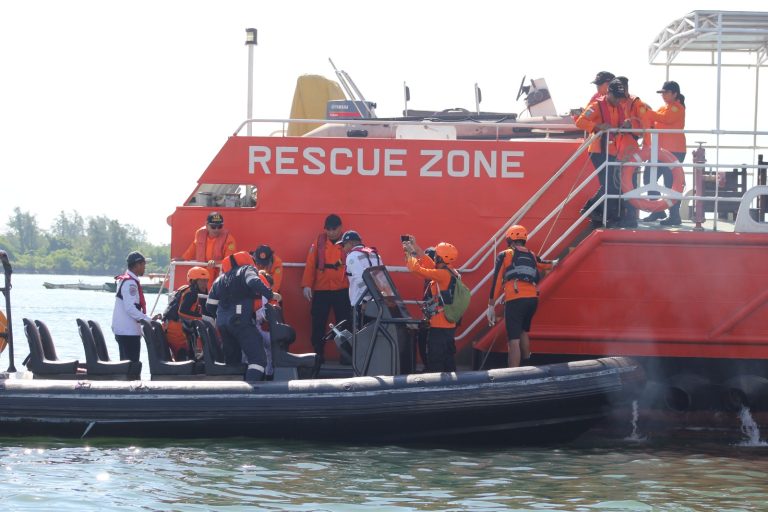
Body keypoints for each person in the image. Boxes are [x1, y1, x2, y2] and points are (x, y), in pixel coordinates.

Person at [206, 251, 281, 381]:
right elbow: (253, 281)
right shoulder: (247, 269)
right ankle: (251, 389)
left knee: (233, 362)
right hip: (241, 322)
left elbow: (209, 305)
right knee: (258, 360)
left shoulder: (220, 279)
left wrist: (223, 317)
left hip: (222, 325)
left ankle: (231, 390)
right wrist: (270, 294)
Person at [487, 225, 555, 368]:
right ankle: (527, 364)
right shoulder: (532, 255)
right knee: (523, 331)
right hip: (532, 300)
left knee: (513, 339)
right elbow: (546, 264)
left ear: (509, 239)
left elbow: (497, 280)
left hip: (515, 299)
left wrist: (491, 305)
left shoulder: (505, 255)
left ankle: (513, 373)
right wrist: (555, 263)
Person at [576, 78, 633, 225]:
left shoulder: (619, 107)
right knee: (609, 184)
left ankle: (601, 214)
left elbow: (619, 124)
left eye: (620, 98)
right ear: (609, 93)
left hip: (612, 150)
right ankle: (590, 209)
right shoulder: (595, 106)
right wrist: (598, 126)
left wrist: (626, 124)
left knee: (612, 184)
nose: (618, 100)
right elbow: (580, 122)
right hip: (598, 150)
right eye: (616, 97)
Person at [300, 214, 351, 367]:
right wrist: (307, 285)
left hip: (342, 290)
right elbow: (310, 263)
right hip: (321, 289)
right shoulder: (319, 242)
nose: (331, 232)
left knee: (345, 323)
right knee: (318, 322)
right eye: (328, 229)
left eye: (334, 229)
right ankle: (318, 354)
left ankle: (346, 355)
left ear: (340, 228)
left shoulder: (348, 242)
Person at [403, 236, 460, 373]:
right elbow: (428, 262)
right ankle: (453, 384)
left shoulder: (442, 274)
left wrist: (409, 254)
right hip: (448, 325)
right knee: (448, 359)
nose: (434, 257)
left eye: (436, 255)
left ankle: (437, 384)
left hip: (439, 326)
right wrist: (415, 246)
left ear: (440, 258)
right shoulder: (450, 272)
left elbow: (416, 269)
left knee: (436, 360)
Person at [642, 80, 687, 226]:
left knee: (671, 183)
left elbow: (665, 119)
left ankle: (674, 216)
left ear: (675, 94)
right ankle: (657, 210)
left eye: (666, 93)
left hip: (674, 151)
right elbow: (655, 120)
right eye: (662, 93)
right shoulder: (663, 108)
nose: (663, 95)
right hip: (660, 151)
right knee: (648, 177)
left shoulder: (677, 108)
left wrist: (645, 112)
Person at [111, 251, 155, 362]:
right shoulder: (130, 283)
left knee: (127, 365)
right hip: (128, 332)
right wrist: (148, 320)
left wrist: (147, 318)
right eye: (143, 264)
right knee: (131, 366)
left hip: (126, 330)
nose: (145, 267)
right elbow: (130, 308)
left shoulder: (127, 280)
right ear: (137, 265)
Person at [162, 266, 209, 361]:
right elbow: (182, 312)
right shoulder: (192, 293)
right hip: (175, 328)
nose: (205, 284)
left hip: (172, 326)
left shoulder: (186, 289)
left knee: (187, 354)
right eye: (201, 281)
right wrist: (202, 318)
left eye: (206, 281)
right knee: (182, 356)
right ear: (194, 281)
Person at [180, 211, 237, 286]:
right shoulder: (200, 235)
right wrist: (183, 258)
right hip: (201, 276)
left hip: (218, 277)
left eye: (219, 226)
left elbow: (229, 260)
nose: (216, 229)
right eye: (213, 227)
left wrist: (216, 262)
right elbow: (193, 248)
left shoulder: (229, 240)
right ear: (207, 225)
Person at [337, 230, 382, 320]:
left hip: (361, 304)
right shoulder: (374, 254)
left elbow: (361, 280)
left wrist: (365, 301)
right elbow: (382, 279)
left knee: (360, 328)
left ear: (350, 243)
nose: (343, 248)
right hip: (379, 302)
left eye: (343, 245)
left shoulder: (352, 256)